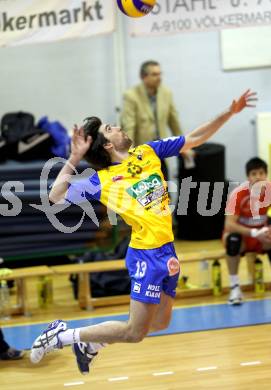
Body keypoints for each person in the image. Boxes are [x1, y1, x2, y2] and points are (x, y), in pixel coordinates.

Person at [30, 90, 256, 375]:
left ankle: (92, 345)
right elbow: (54, 196)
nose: (117, 127)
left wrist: (229, 112)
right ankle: (61, 336)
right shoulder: (100, 180)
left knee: (160, 323)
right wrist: (74, 157)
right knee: (135, 332)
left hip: (167, 250)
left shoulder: (147, 152)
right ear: (108, 146)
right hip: (145, 255)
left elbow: (195, 137)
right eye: (110, 129)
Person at [223, 157, 271, 305]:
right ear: (248, 177)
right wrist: (255, 233)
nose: (258, 177)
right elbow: (229, 225)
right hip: (244, 236)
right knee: (232, 240)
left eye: (261, 173)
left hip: (262, 236)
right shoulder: (238, 194)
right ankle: (235, 288)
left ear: (266, 175)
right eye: (254, 173)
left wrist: (267, 232)